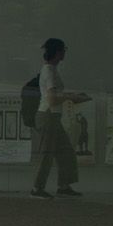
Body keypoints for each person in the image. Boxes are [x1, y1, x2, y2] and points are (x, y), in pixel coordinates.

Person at [30, 36, 88, 198]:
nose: (64, 53)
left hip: (53, 117)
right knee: (47, 153)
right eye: (63, 50)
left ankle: (63, 185)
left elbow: (55, 95)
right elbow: (52, 99)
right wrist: (72, 97)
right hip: (47, 115)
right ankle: (36, 189)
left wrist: (73, 96)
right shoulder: (49, 71)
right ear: (57, 52)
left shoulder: (52, 70)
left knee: (66, 151)